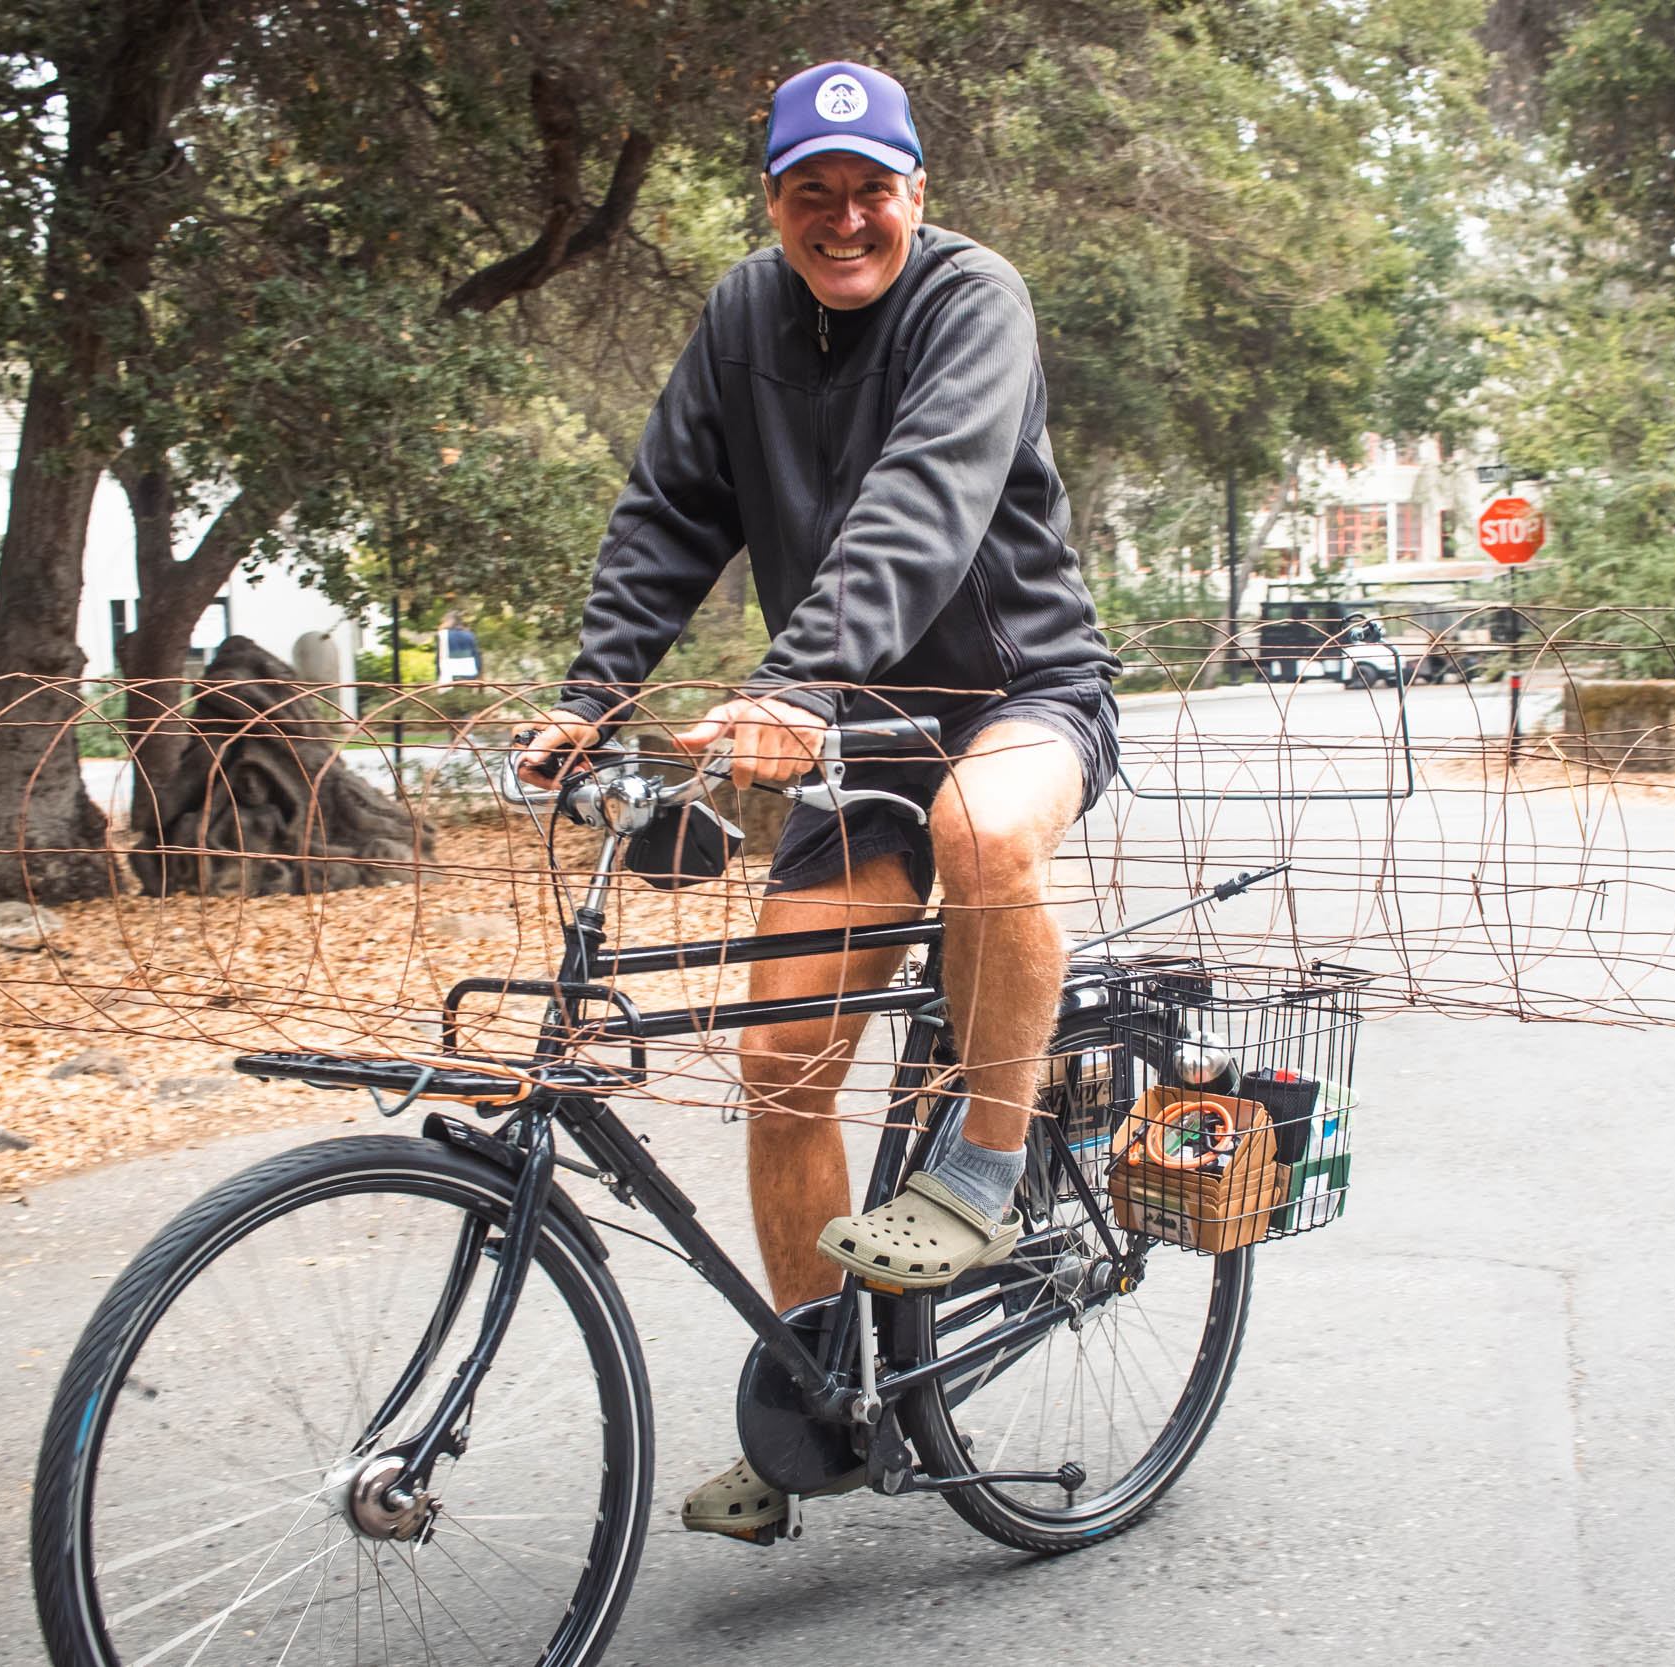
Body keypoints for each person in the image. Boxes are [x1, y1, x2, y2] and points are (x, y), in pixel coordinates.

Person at [516, 58, 1122, 1540]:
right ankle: (819, 1399)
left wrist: (789, 682)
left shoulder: (974, 300)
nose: (844, 218)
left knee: (986, 832)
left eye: (873, 191)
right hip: (854, 733)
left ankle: (986, 1154)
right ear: (777, 202)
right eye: (812, 194)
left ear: (916, 193)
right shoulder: (743, 315)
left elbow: (927, 494)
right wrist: (593, 695)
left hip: (1018, 693)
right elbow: (672, 506)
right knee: (785, 1054)